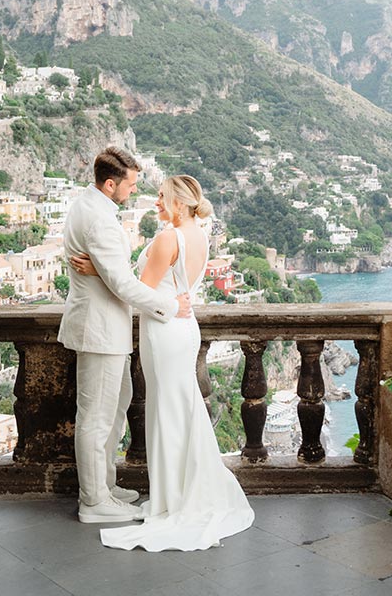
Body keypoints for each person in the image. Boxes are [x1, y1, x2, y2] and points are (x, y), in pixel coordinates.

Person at [70, 174, 255, 552]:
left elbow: (139, 290)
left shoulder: (167, 237)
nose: (155, 202)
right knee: (182, 410)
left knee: (165, 413)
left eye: (161, 196)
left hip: (164, 328)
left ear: (180, 201)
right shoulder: (200, 234)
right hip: (185, 328)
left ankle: (173, 499)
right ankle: (184, 490)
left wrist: (99, 271)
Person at [58, 146, 192, 525]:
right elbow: (121, 282)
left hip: (105, 327)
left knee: (116, 406)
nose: (135, 190)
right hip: (99, 330)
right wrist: (168, 305)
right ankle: (93, 500)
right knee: (96, 418)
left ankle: (105, 486)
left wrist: (102, 273)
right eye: (131, 184)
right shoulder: (99, 219)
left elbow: (112, 273)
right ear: (111, 183)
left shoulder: (90, 207)